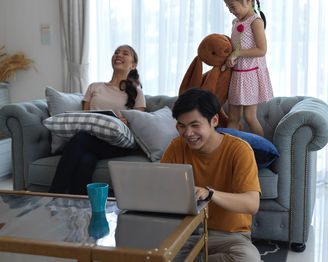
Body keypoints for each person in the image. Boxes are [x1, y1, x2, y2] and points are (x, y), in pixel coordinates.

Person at [160, 88, 261, 261]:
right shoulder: (176, 147)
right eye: (181, 126)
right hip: (186, 233)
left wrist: (210, 193)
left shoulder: (239, 150)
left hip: (229, 237)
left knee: (248, 259)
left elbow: (251, 204)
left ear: (214, 120)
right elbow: (160, 189)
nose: (187, 133)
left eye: (195, 125)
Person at [49, 45, 146, 195]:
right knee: (86, 160)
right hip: (92, 139)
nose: (118, 55)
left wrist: (125, 120)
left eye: (125, 53)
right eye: (116, 52)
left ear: (133, 65)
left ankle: (53, 194)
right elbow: (85, 116)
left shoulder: (137, 93)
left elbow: (139, 121)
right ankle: (77, 205)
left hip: (116, 144)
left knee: (80, 139)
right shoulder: (94, 87)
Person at [224, 0, 273, 137]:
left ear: (247, 1)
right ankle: (229, 150)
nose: (230, 10)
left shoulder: (255, 22)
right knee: (233, 117)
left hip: (249, 76)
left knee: (250, 117)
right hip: (237, 75)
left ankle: (263, 152)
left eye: (232, 6)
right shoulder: (235, 22)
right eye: (227, 7)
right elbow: (235, 47)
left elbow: (261, 50)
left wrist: (237, 53)